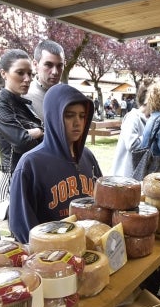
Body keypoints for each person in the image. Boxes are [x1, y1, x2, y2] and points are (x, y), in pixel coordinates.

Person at [9, 83, 101, 241]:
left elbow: (102, 204)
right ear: (53, 117)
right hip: (52, 257)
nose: (77, 122)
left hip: (89, 250)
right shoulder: (31, 164)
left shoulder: (87, 157)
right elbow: (22, 226)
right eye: (69, 115)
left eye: (82, 115)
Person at [0, 49, 43, 204]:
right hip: (14, 177)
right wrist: (39, 130)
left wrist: (34, 133)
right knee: (20, 227)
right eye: (20, 73)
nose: (27, 79)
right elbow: (21, 142)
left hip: (32, 174)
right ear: (4, 73)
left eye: (30, 74)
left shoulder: (25, 104)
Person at [110, 83, 150, 177]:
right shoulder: (133, 117)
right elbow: (132, 145)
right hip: (124, 178)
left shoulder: (150, 119)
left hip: (137, 178)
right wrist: (150, 134)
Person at [25, 39, 65, 121]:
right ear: (35, 64)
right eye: (48, 65)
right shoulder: (23, 97)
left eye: (59, 65)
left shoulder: (69, 96)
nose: (55, 72)